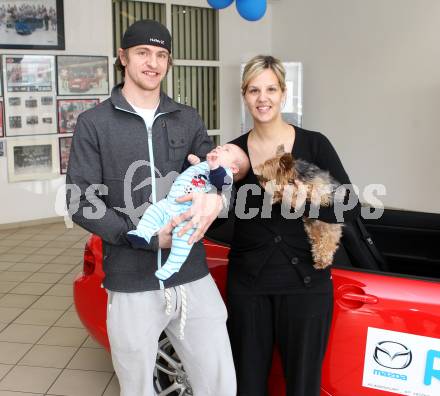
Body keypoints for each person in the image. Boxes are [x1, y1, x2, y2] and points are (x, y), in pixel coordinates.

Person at [66, 19, 236, 396]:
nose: (153, 63)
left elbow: (218, 174)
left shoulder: (187, 117)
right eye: (143, 52)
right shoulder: (94, 124)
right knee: (138, 388)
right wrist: (142, 238)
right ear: (123, 57)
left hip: (192, 273)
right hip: (131, 281)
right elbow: (80, 200)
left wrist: (218, 195)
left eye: (161, 55)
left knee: (221, 384)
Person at [225, 55, 360, 396]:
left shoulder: (315, 144)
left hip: (306, 287)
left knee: (303, 387)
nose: (262, 98)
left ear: (284, 93)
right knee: (248, 385)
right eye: (254, 90)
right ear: (244, 95)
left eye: (271, 88)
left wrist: (307, 204)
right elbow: (221, 214)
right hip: (248, 286)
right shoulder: (233, 153)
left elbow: (351, 206)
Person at [127, 143, 249, 281]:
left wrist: (214, 167)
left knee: (182, 236)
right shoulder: (204, 165)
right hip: (170, 202)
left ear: (233, 168)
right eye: (220, 146)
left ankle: (173, 265)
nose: (220, 148)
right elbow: (185, 175)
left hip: (188, 211)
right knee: (153, 211)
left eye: (226, 150)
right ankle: (142, 234)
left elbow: (222, 184)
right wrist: (191, 163)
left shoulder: (225, 174)